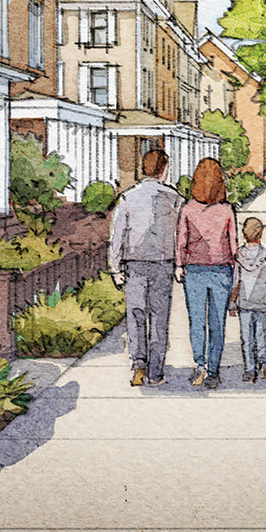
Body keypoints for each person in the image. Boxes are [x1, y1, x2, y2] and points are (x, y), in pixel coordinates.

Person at [109, 148, 184, 388]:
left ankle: (138, 364)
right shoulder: (174, 198)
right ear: (164, 170)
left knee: (136, 314)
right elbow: (179, 234)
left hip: (135, 262)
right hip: (163, 262)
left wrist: (115, 267)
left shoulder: (129, 197)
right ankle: (155, 372)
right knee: (159, 317)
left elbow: (118, 234)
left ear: (143, 169)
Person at [176, 157, 239, 389]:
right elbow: (233, 244)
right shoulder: (227, 210)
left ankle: (199, 365)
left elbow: (181, 240)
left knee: (196, 322)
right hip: (222, 270)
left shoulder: (188, 209)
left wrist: (179, 265)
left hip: (194, 270)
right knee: (217, 323)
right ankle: (213, 371)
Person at [228, 217, 266, 384]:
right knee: (261, 335)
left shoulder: (239, 254)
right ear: (261, 233)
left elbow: (236, 280)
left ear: (244, 234)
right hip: (262, 300)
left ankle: (249, 369)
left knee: (246, 338)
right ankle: (263, 364)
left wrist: (232, 302)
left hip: (244, 301)